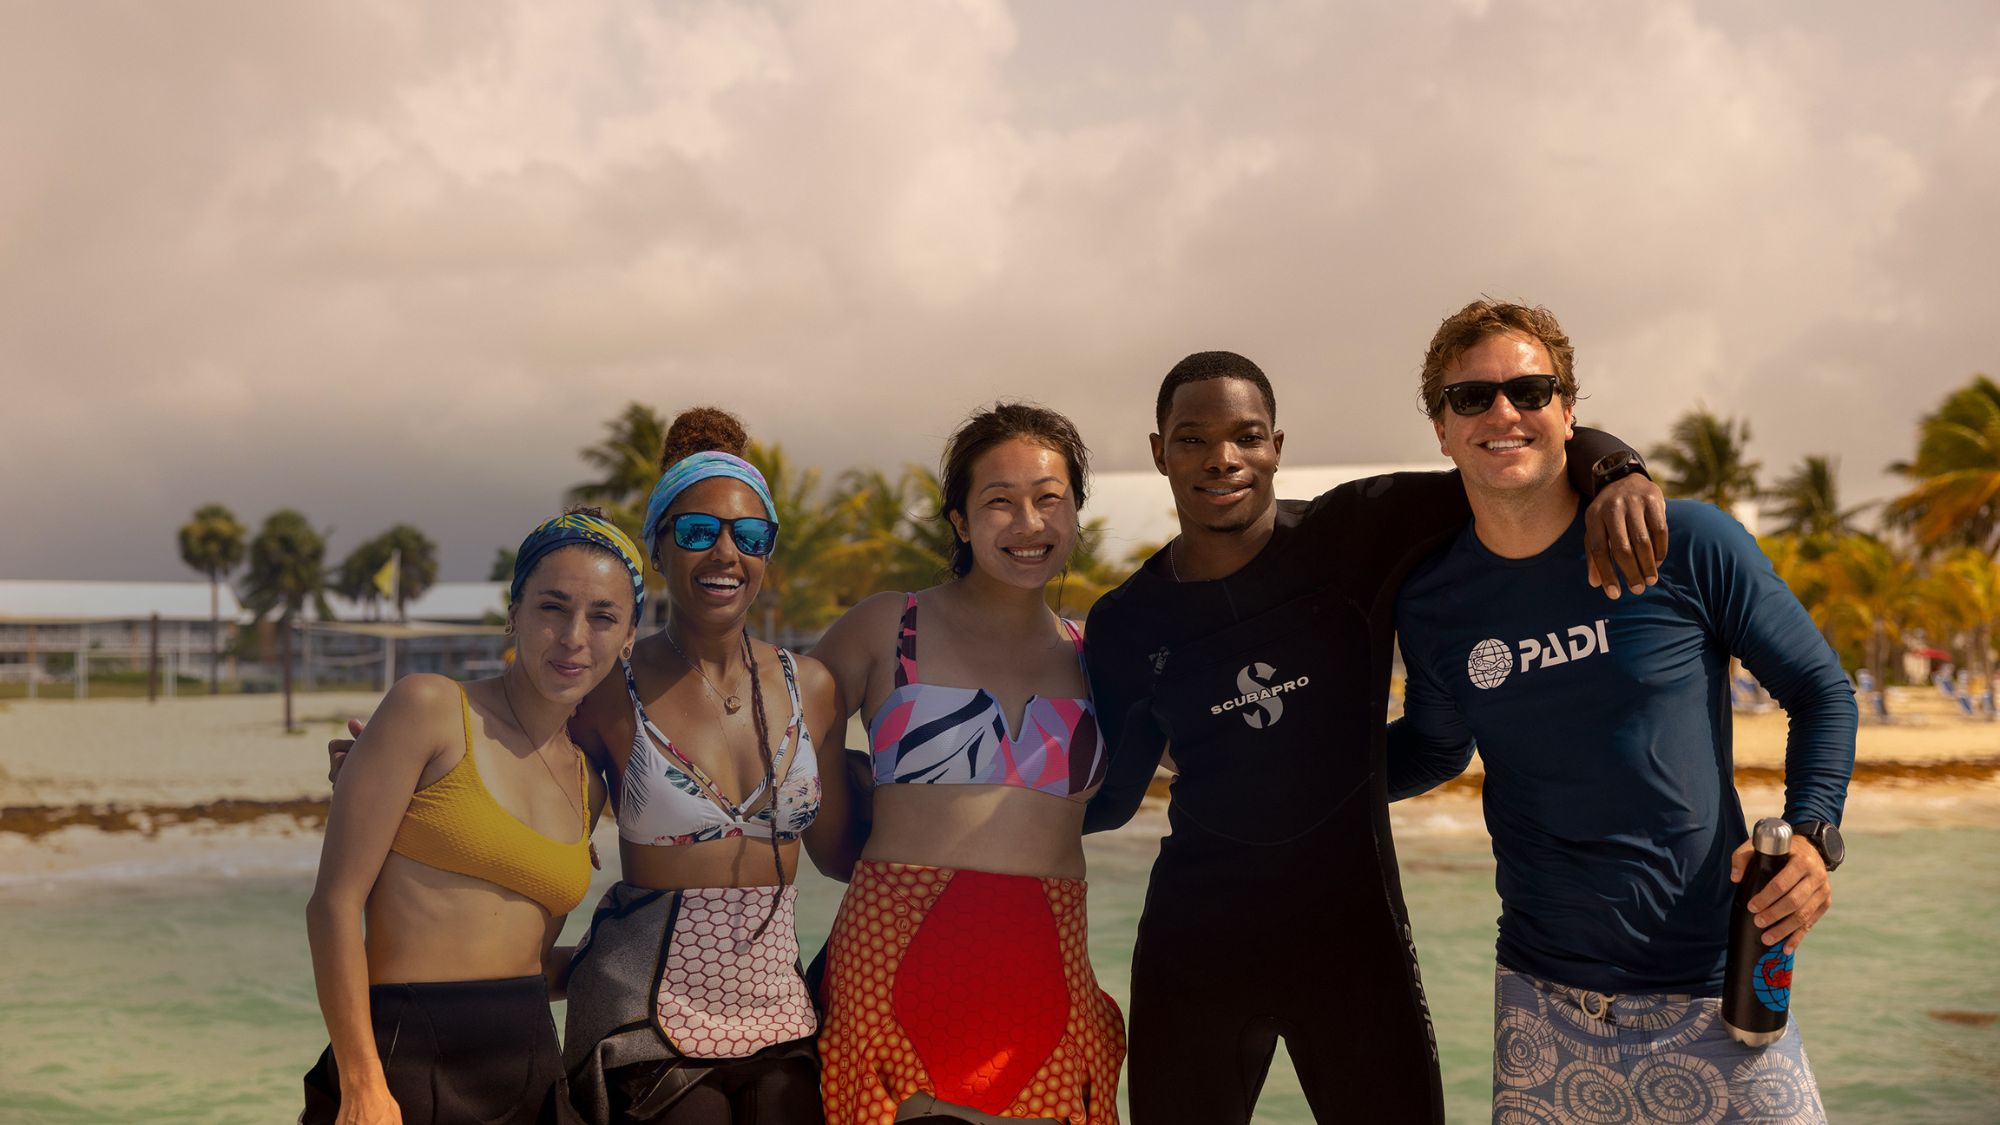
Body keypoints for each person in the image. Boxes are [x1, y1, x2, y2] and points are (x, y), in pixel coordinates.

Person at [1081, 351, 1667, 1125]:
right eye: (1191, 439)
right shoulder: (1126, 619)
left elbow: (1510, 463)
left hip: (1354, 946)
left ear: (1276, 447)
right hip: (1195, 948)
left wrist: (1619, 470)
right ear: (1159, 452)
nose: (1222, 458)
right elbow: (1110, 796)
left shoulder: (1351, 533)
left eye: (1246, 436)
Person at [1390, 300, 1854, 1123]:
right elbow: (1433, 748)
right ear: (1441, 426)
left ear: (1569, 410)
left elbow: (1821, 690)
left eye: (1532, 390)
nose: (1505, 412)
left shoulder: (1688, 542)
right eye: (1472, 398)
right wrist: (1265, 771)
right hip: (1544, 1009)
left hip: (1720, 994)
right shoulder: (1432, 603)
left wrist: (1814, 834)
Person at [809, 402, 1126, 1124]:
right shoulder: (888, 625)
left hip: (1046, 972)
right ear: (958, 520)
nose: (1028, 523)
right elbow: (772, 734)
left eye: (1050, 499)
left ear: (1075, 510)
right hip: (895, 965)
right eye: (999, 502)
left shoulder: (1098, 652)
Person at [559, 408, 853, 1124]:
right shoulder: (608, 695)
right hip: (645, 1026)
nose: (726, 552)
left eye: (750, 536)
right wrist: (397, 769)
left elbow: (846, 853)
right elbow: (529, 826)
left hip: (785, 1020)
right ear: (659, 547)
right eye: (697, 531)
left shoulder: (810, 687)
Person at [303, 510, 646, 1125]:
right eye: (552, 607)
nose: (574, 637)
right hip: (404, 1059)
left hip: (531, 1069)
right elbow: (332, 904)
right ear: (513, 613)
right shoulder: (429, 709)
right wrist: (362, 1083)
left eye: (602, 617)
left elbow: (531, 962)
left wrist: (650, 955)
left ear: (627, 638)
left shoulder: (588, 782)